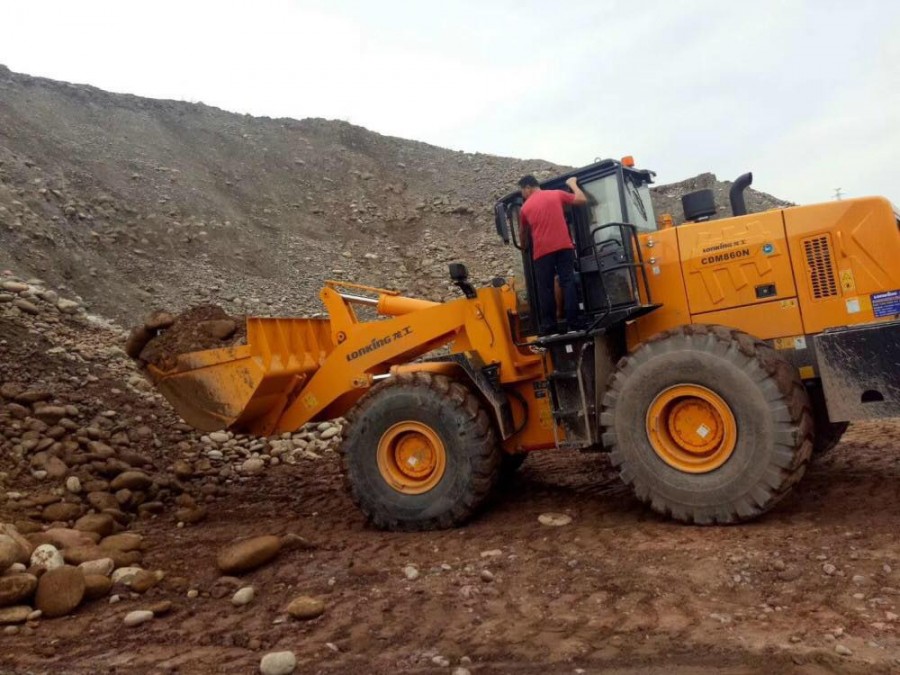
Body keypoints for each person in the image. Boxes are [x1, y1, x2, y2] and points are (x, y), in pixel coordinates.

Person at [518, 174, 587, 332]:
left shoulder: (525, 208)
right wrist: (573, 184)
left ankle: (549, 325)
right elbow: (582, 199)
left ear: (527, 188)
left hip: (542, 252)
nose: (523, 195)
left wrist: (524, 247)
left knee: (546, 288)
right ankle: (574, 321)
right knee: (567, 282)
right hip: (564, 247)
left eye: (522, 191)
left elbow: (523, 233)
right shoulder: (556, 194)